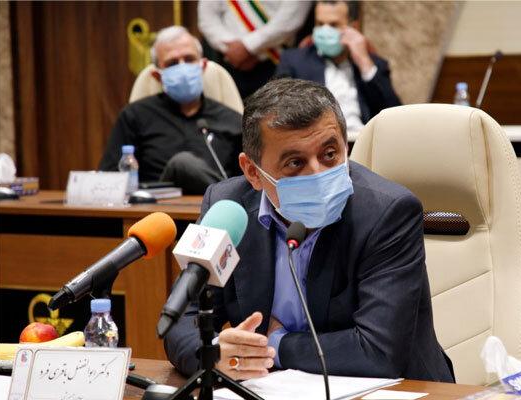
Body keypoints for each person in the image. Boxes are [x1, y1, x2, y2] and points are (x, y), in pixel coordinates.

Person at [164, 78, 454, 382]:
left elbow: (378, 352)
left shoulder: (388, 213)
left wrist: (274, 344)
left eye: (329, 154)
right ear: (252, 172)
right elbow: (181, 317)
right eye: (295, 162)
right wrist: (213, 353)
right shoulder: (227, 208)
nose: (317, 173)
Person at [99, 26, 242, 195]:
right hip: (155, 206)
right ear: (157, 76)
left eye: (189, 59)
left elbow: (248, 182)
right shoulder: (134, 117)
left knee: (185, 164)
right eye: (172, 63)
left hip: (217, 210)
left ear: (202, 66)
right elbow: (109, 180)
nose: (182, 68)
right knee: (181, 164)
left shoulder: (232, 120)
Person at [275, 1, 401, 142]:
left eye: (333, 25)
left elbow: (395, 117)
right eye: (320, 24)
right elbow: (277, 111)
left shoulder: (372, 64)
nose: (325, 31)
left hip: (361, 142)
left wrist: (364, 63)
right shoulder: (294, 61)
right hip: (316, 144)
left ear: (353, 27)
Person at [198, 1, 313, 99]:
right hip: (229, 61)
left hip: (275, 63)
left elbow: (291, 18)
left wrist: (248, 46)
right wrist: (231, 48)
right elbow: (207, 17)